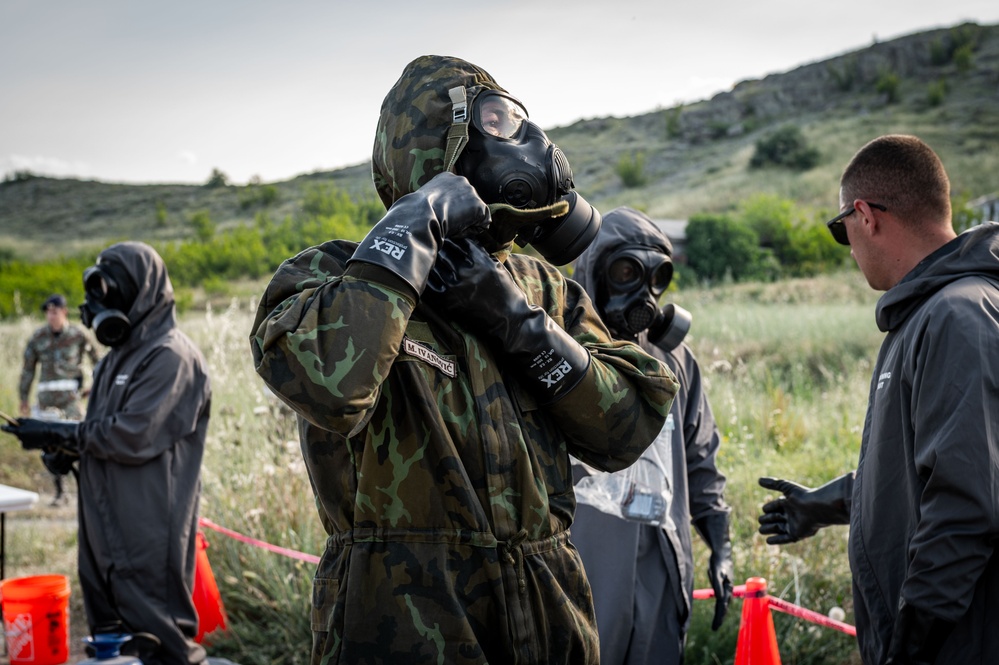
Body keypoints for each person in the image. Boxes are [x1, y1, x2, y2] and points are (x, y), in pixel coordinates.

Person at [250, 55, 679, 665]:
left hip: (550, 610)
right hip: (405, 619)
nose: (525, 139)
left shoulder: (544, 291)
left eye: (519, 118)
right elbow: (332, 384)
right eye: (498, 119)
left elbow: (628, 425)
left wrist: (509, 314)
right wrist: (418, 220)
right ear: (438, 145)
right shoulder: (331, 278)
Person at [756, 134, 999, 665]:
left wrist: (909, 648)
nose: (848, 247)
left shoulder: (956, 317)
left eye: (840, 230)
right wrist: (830, 503)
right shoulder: (930, 315)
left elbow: (964, 507)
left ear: (864, 215)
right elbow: (923, 473)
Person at [2, 241, 212, 665]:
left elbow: (133, 436)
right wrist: (63, 450)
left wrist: (62, 432)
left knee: (161, 639)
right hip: (102, 522)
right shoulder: (114, 359)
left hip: (149, 526)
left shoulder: (171, 357)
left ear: (143, 292)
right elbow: (99, 432)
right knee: (113, 642)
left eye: (111, 292)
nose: (99, 306)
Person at [570, 207, 733, 665]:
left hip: (661, 561)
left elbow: (701, 459)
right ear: (593, 274)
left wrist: (721, 545)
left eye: (655, 275)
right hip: (584, 564)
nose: (642, 293)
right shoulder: (556, 352)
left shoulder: (674, 359)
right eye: (626, 271)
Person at [18, 293, 100, 504]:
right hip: (47, 400)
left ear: (64, 311)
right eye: (48, 312)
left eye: (55, 312)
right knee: (51, 445)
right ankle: (60, 493)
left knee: (79, 440)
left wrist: (95, 386)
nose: (51, 316)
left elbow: (98, 361)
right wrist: (23, 397)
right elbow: (28, 370)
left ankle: (87, 490)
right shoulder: (38, 338)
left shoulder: (78, 335)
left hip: (71, 399)